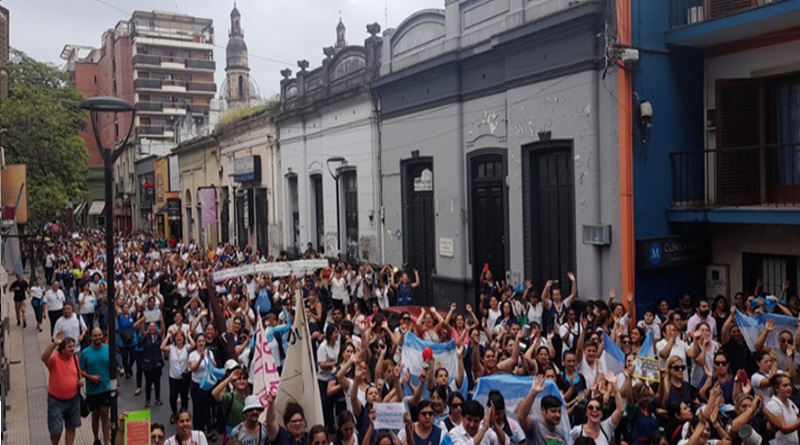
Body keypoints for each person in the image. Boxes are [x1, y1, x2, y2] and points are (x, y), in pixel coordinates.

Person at [42, 332, 82, 445]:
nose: (73, 349)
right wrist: (54, 343)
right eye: (70, 347)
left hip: (73, 400)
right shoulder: (54, 360)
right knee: (56, 430)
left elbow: (78, 374)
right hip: (56, 402)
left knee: (71, 427)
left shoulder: (75, 358)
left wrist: (80, 381)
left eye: (73, 346)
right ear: (62, 349)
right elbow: (44, 357)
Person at [80, 328, 111, 445]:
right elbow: (81, 371)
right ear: (91, 338)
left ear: (102, 336)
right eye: (95, 336)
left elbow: (113, 369)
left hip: (106, 387)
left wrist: (116, 385)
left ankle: (106, 441)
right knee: (95, 415)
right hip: (92, 390)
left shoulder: (108, 350)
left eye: (99, 335)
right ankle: (96, 439)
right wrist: (90, 377)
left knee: (105, 413)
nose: (97, 338)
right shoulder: (85, 353)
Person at [516, 375, 569, 445]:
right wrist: (533, 392)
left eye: (559, 411)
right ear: (543, 410)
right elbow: (521, 416)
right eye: (553, 411)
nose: (558, 415)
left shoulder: (560, 431)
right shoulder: (535, 425)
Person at [161, 329, 193, 424]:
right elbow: (162, 347)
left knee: (184, 396)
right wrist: (167, 336)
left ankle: (183, 413)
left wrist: (189, 335)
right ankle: (174, 413)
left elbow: (194, 345)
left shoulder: (187, 347)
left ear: (184, 338)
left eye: (181, 336)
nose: (179, 338)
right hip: (173, 377)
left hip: (184, 377)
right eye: (177, 337)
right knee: (173, 397)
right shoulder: (171, 348)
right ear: (174, 339)